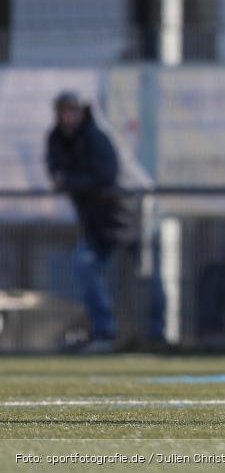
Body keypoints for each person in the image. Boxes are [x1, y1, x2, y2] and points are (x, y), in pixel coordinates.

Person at [45, 91, 163, 351]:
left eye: (71, 110)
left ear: (80, 111)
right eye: (62, 110)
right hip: (98, 221)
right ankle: (104, 332)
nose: (66, 116)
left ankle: (157, 336)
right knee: (85, 266)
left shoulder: (96, 136)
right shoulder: (56, 137)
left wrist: (71, 182)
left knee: (148, 275)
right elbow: (55, 167)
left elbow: (105, 176)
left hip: (130, 211)